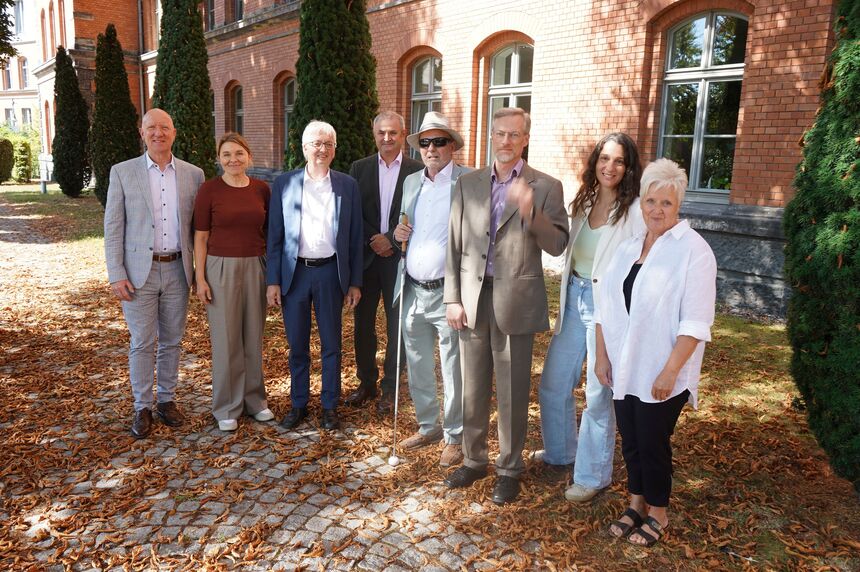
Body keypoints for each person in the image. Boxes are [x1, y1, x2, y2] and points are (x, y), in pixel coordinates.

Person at [443, 107, 569, 504]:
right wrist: (452, 297)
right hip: (472, 298)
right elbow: (454, 244)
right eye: (500, 133)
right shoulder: (467, 183)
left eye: (514, 134)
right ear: (491, 135)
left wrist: (530, 210)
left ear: (525, 139)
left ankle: (509, 468)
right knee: (472, 385)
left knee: (513, 391)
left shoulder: (546, 186)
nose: (506, 141)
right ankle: (473, 459)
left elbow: (557, 244)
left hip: (516, 301)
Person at [595, 158, 716, 546]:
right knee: (630, 440)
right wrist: (601, 356)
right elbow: (605, 305)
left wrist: (670, 371)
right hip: (624, 365)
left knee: (652, 443)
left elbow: (696, 322)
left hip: (662, 367)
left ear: (678, 204)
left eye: (666, 202)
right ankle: (636, 503)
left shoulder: (694, 251)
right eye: (651, 201)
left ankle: (659, 512)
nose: (657, 210)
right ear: (641, 203)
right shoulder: (629, 247)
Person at [537, 133, 646, 499]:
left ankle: (592, 475)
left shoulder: (635, 212)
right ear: (595, 162)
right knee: (554, 383)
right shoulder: (584, 201)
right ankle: (560, 453)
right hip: (574, 299)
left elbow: (638, 269)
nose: (609, 167)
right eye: (604, 158)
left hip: (608, 308)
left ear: (628, 168)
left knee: (599, 394)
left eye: (619, 161)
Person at [104, 108, 205, 439]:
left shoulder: (194, 175)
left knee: (172, 341)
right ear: (142, 133)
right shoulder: (123, 172)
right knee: (142, 342)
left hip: (178, 269)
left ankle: (166, 400)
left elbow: (199, 229)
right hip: (137, 273)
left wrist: (200, 272)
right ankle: (142, 406)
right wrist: (116, 273)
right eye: (151, 128)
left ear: (173, 133)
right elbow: (113, 226)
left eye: (164, 128)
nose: (158, 133)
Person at [266, 120, 363, 432]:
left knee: (331, 344)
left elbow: (355, 237)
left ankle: (330, 406)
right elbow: (275, 236)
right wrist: (273, 280)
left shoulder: (347, 185)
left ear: (334, 149)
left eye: (328, 144)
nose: (322, 149)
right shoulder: (285, 184)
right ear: (304, 148)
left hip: (331, 274)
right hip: (295, 275)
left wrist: (355, 282)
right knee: (297, 345)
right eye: (316, 144)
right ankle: (299, 404)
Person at [391, 112, 471, 467]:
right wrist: (398, 233)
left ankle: (454, 435)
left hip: (447, 293)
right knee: (418, 363)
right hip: (412, 289)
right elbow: (404, 225)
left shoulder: (467, 181)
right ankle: (428, 426)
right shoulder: (412, 182)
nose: (431, 149)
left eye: (439, 141)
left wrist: (460, 296)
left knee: (452, 367)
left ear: (452, 146)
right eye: (425, 142)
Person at [193, 133, 273, 432]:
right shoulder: (209, 190)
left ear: (248, 156)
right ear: (219, 159)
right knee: (226, 339)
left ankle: (255, 401)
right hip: (220, 268)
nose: (233, 159)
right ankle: (227, 406)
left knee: (253, 335)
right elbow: (200, 237)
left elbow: (270, 233)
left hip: (256, 266)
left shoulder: (262, 189)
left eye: (239, 153)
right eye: (226, 154)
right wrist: (200, 278)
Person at [346, 111, 423, 414]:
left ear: (403, 134)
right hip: (366, 259)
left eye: (393, 132)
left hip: (398, 260)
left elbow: (420, 213)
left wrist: (390, 239)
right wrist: (374, 239)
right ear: (374, 133)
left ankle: (391, 388)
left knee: (397, 326)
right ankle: (366, 383)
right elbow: (352, 211)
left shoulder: (417, 171)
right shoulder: (359, 168)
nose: (387, 138)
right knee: (363, 325)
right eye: (382, 132)